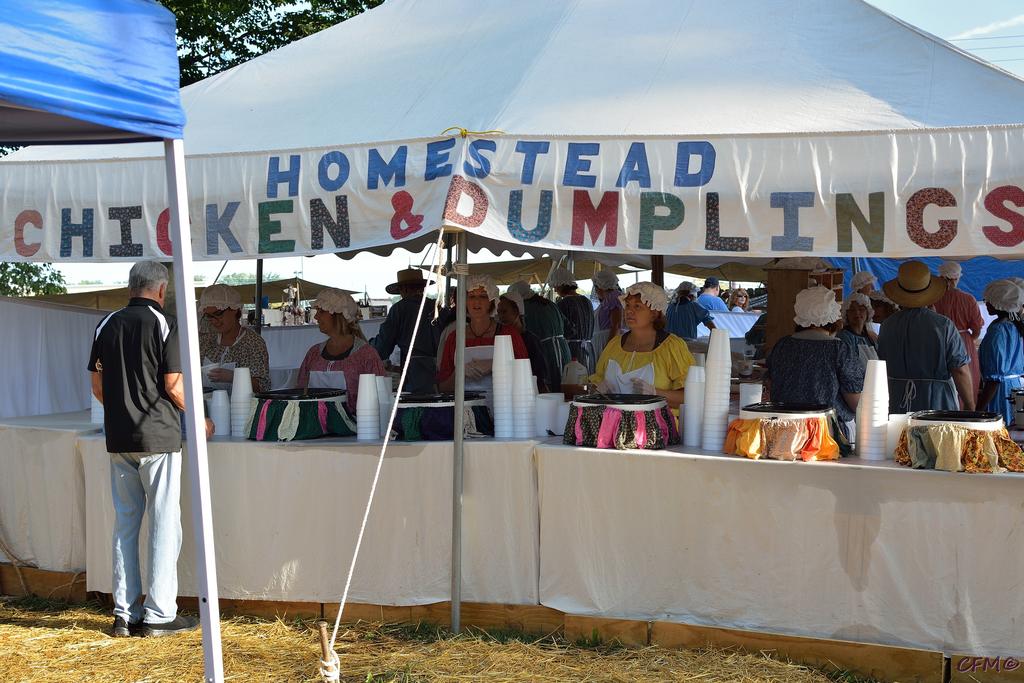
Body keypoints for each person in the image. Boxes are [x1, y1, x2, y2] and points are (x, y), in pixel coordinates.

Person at [88, 260, 206, 638]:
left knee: (125, 525)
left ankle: (124, 614)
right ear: (161, 290)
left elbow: (97, 386)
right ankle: (159, 614)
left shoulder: (106, 324)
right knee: (163, 523)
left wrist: (123, 412)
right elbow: (173, 384)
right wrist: (200, 418)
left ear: (131, 287)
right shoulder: (165, 323)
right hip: (158, 437)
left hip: (119, 439)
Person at [876, 261, 974, 413]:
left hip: (897, 402)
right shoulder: (943, 325)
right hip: (936, 403)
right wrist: (969, 404)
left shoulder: (887, 325)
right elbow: (959, 370)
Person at [765, 286, 863, 438]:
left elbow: (771, 384)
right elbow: (857, 403)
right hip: (826, 434)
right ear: (832, 318)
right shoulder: (839, 350)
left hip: (785, 431)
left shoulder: (782, 345)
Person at [580, 282, 694, 410]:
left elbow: (690, 396)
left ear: (655, 313)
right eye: (628, 305)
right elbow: (594, 382)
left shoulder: (672, 347)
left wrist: (656, 393)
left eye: (637, 306)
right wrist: (596, 389)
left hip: (657, 422)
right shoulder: (614, 345)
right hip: (612, 420)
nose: (629, 311)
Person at [296, 288, 386, 413]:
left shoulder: (366, 355)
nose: (316, 316)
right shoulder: (314, 353)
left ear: (338, 315)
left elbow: (380, 398)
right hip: (315, 423)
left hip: (356, 423)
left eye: (321, 311)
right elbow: (301, 391)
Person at [437, 275, 528, 393]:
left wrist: (495, 365)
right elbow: (443, 388)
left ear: (492, 301)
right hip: (465, 404)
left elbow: (525, 376)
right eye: (472, 296)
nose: (477, 301)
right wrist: (459, 372)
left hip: (502, 402)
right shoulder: (454, 338)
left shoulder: (509, 334)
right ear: (465, 301)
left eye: (483, 296)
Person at [372, 268, 437, 394]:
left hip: (415, 374)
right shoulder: (437, 307)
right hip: (443, 372)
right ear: (423, 287)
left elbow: (383, 347)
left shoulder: (399, 309)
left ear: (404, 289)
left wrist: (366, 347)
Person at [198, 284, 270, 393]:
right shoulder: (206, 340)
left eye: (218, 314)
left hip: (242, 403)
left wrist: (234, 377)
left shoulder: (253, 343)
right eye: (209, 316)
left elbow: (262, 386)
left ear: (235, 309)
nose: (214, 320)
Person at [932, 261, 984, 399]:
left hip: (939, 342)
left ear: (940, 277)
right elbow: (977, 328)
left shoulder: (933, 299)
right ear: (957, 278)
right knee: (967, 378)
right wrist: (969, 339)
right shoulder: (968, 299)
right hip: (963, 342)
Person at [507, 279, 570, 391]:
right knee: (565, 384)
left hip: (544, 350)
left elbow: (525, 333)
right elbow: (569, 327)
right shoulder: (549, 303)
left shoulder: (525, 308)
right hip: (563, 349)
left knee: (549, 384)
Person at [977, 279, 1024, 425]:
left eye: (989, 301)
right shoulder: (1014, 326)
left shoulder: (998, 331)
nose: (986, 303)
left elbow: (994, 379)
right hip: (1015, 387)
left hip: (1000, 393)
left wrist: (978, 410)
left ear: (999, 304)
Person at [497, 291, 548, 392]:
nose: (501, 316)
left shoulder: (531, 340)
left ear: (517, 311)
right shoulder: (500, 339)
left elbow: (540, 373)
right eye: (499, 312)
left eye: (504, 312)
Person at [549, 267, 596, 374]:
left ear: (562, 285)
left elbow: (565, 330)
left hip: (572, 352)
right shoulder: (587, 301)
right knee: (587, 379)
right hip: (589, 349)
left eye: (556, 287)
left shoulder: (563, 304)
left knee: (574, 380)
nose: (555, 290)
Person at [836, 292, 878, 365]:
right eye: (852, 310)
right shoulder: (844, 337)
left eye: (861, 309)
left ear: (868, 313)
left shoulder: (871, 337)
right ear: (846, 314)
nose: (857, 313)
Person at [591, 270, 623, 356]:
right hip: (604, 340)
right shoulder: (610, 298)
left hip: (606, 341)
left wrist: (608, 348)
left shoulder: (613, 297)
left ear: (600, 286)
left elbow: (616, 325)